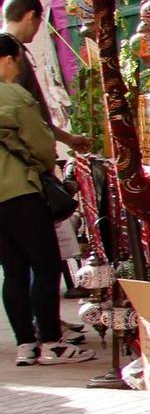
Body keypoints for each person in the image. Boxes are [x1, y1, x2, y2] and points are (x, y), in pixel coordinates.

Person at [0, 34, 93, 366]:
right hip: (21, 191)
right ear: (8, 59)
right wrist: (44, 165)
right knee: (45, 264)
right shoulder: (13, 94)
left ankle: (26, 345)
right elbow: (41, 143)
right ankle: (53, 343)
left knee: (13, 270)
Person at [3, 0, 88, 154]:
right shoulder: (12, 54)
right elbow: (25, 114)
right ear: (31, 16)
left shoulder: (12, 48)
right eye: (38, 22)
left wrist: (68, 138)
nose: (36, 29)